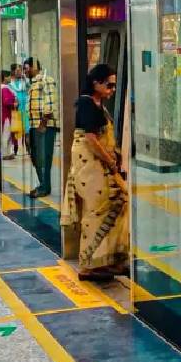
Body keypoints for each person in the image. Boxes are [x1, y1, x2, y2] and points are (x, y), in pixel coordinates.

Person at [61, 64, 131, 282]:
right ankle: (88, 265)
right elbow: (90, 138)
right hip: (90, 167)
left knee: (121, 199)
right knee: (96, 212)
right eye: (109, 85)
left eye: (114, 85)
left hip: (100, 165)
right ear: (96, 83)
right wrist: (110, 160)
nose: (112, 89)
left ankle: (109, 258)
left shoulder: (99, 104)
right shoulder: (86, 103)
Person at [24, 57, 59, 198]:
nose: (25, 71)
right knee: (36, 157)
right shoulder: (32, 84)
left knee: (44, 158)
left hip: (44, 126)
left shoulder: (46, 81)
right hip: (34, 125)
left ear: (34, 67)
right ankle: (43, 184)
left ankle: (45, 187)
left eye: (27, 68)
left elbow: (50, 103)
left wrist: (43, 124)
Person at [9, 63, 31, 155]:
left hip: (25, 109)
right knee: (16, 131)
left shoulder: (25, 82)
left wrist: (25, 78)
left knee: (27, 131)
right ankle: (15, 148)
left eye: (20, 70)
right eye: (17, 71)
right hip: (16, 110)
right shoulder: (11, 84)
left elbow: (29, 87)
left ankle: (28, 148)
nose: (18, 72)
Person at [0, 70, 19, 159]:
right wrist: (14, 104)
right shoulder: (5, 88)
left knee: (7, 134)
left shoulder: (2, 88)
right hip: (6, 115)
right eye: (9, 76)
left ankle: (7, 152)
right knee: (6, 134)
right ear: (5, 77)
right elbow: (6, 101)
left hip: (6, 115)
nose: (11, 78)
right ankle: (4, 153)